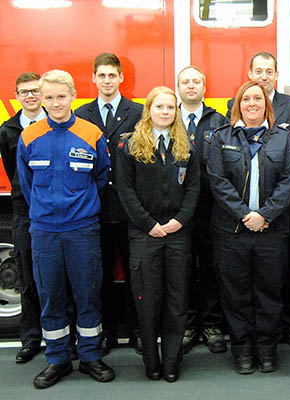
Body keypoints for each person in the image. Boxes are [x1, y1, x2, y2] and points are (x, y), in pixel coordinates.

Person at [16, 70, 113, 388]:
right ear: (41, 100)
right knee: (50, 296)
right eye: (48, 97)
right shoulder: (29, 136)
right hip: (44, 231)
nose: (55, 103)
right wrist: (47, 212)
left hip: (82, 231)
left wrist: (79, 209)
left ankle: (90, 356)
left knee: (88, 296)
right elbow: (27, 186)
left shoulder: (91, 134)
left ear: (73, 95)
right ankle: (57, 359)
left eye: (61, 96)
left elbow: (100, 178)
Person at [208, 81, 290, 374]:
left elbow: (289, 181)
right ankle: (243, 350)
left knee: (269, 293)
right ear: (238, 105)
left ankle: (267, 349)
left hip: (271, 231)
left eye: (257, 99)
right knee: (236, 294)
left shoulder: (283, 139)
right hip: (232, 232)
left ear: (266, 105)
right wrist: (245, 215)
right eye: (246, 99)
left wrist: (265, 215)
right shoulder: (221, 138)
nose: (252, 104)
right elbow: (218, 181)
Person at [227, 51, 290, 350]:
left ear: (277, 75)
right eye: (258, 70)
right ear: (250, 74)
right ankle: (248, 337)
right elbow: (230, 156)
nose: (264, 76)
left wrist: (271, 200)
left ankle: (285, 328)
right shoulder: (235, 104)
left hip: (279, 207)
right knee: (243, 281)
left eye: (269, 71)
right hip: (241, 214)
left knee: (281, 274)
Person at [115, 86, 200, 382]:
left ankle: (172, 362)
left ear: (176, 111)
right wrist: (147, 223)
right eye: (159, 107)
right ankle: (152, 362)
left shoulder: (186, 145)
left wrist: (180, 220)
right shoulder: (129, 145)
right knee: (147, 300)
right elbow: (125, 191)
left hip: (178, 233)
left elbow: (193, 189)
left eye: (170, 107)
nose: (165, 112)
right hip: (144, 233)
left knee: (177, 302)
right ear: (148, 109)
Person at [75, 52, 143, 355]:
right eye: (101, 75)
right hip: (95, 208)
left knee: (135, 274)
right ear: (93, 78)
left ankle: (139, 330)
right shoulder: (81, 114)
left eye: (111, 75)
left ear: (120, 79)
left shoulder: (139, 112)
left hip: (131, 208)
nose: (106, 81)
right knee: (97, 274)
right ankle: (106, 332)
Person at [176, 66, 228, 355]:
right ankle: (186, 325)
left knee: (211, 267)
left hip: (211, 208)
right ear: (178, 87)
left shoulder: (218, 120)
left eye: (196, 81)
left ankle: (212, 325)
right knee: (181, 269)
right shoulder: (168, 118)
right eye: (186, 82)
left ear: (204, 87)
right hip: (177, 208)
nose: (191, 86)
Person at [0, 72, 46, 364]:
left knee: (59, 278)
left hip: (55, 211)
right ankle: (30, 339)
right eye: (24, 92)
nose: (30, 96)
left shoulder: (56, 124)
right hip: (24, 211)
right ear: (16, 96)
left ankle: (66, 338)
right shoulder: (9, 130)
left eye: (35, 91)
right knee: (28, 276)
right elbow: (12, 167)